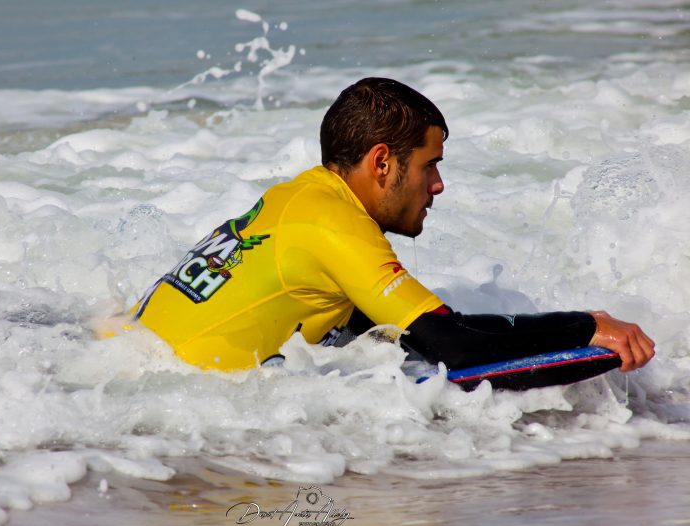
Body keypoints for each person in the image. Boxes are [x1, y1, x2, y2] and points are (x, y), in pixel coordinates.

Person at [129, 77, 655, 373]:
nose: (438, 185)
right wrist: (588, 326)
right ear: (382, 162)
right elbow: (459, 349)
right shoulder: (336, 224)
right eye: (431, 165)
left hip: (121, 368)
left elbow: (397, 333)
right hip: (167, 426)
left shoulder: (295, 197)